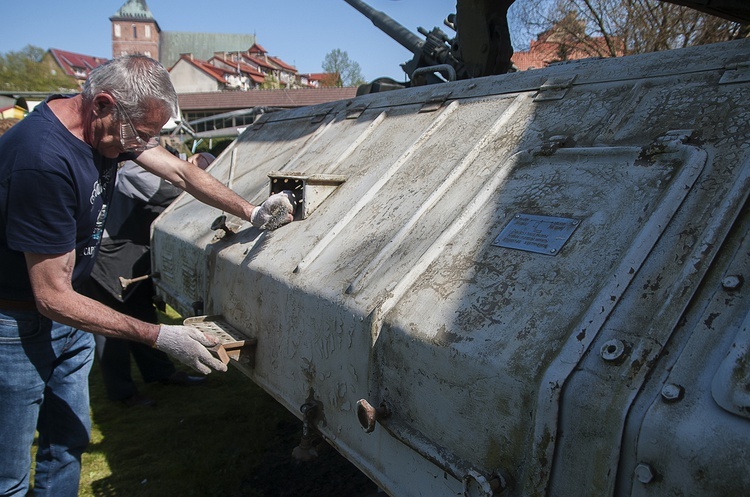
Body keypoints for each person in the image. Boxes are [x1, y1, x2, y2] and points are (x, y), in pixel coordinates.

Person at [0, 55, 294, 497]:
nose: (143, 146)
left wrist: (252, 212)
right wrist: (161, 337)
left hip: (68, 320)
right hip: (16, 326)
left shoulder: (110, 124)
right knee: (9, 475)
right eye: (140, 134)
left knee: (67, 444)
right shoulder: (43, 160)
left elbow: (180, 171)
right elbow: (51, 296)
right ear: (102, 103)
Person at [82, 152, 217, 408]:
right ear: (192, 158)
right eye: (202, 168)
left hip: (133, 250)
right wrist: (192, 183)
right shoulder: (146, 164)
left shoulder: (173, 168)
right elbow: (139, 181)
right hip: (109, 252)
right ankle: (122, 393)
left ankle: (160, 372)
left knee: (143, 315)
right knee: (111, 327)